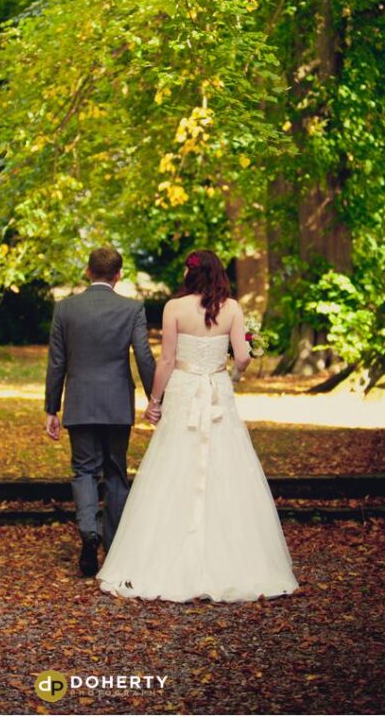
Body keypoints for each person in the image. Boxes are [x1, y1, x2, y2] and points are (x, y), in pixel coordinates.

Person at [96, 249, 299, 603]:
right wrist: (245, 355)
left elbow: (168, 360)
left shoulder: (174, 308)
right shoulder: (232, 309)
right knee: (227, 465)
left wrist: (154, 402)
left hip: (185, 390)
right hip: (217, 391)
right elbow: (241, 359)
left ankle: (163, 559)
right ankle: (235, 562)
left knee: (175, 463)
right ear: (219, 273)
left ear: (189, 275)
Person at [44, 246, 156, 577]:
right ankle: (114, 546)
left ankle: (89, 532)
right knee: (116, 472)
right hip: (117, 403)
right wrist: (155, 398)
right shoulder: (132, 308)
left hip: (80, 402)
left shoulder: (65, 309)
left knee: (84, 470)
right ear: (118, 275)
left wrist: (52, 408)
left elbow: (56, 362)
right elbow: (144, 356)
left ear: (88, 272)